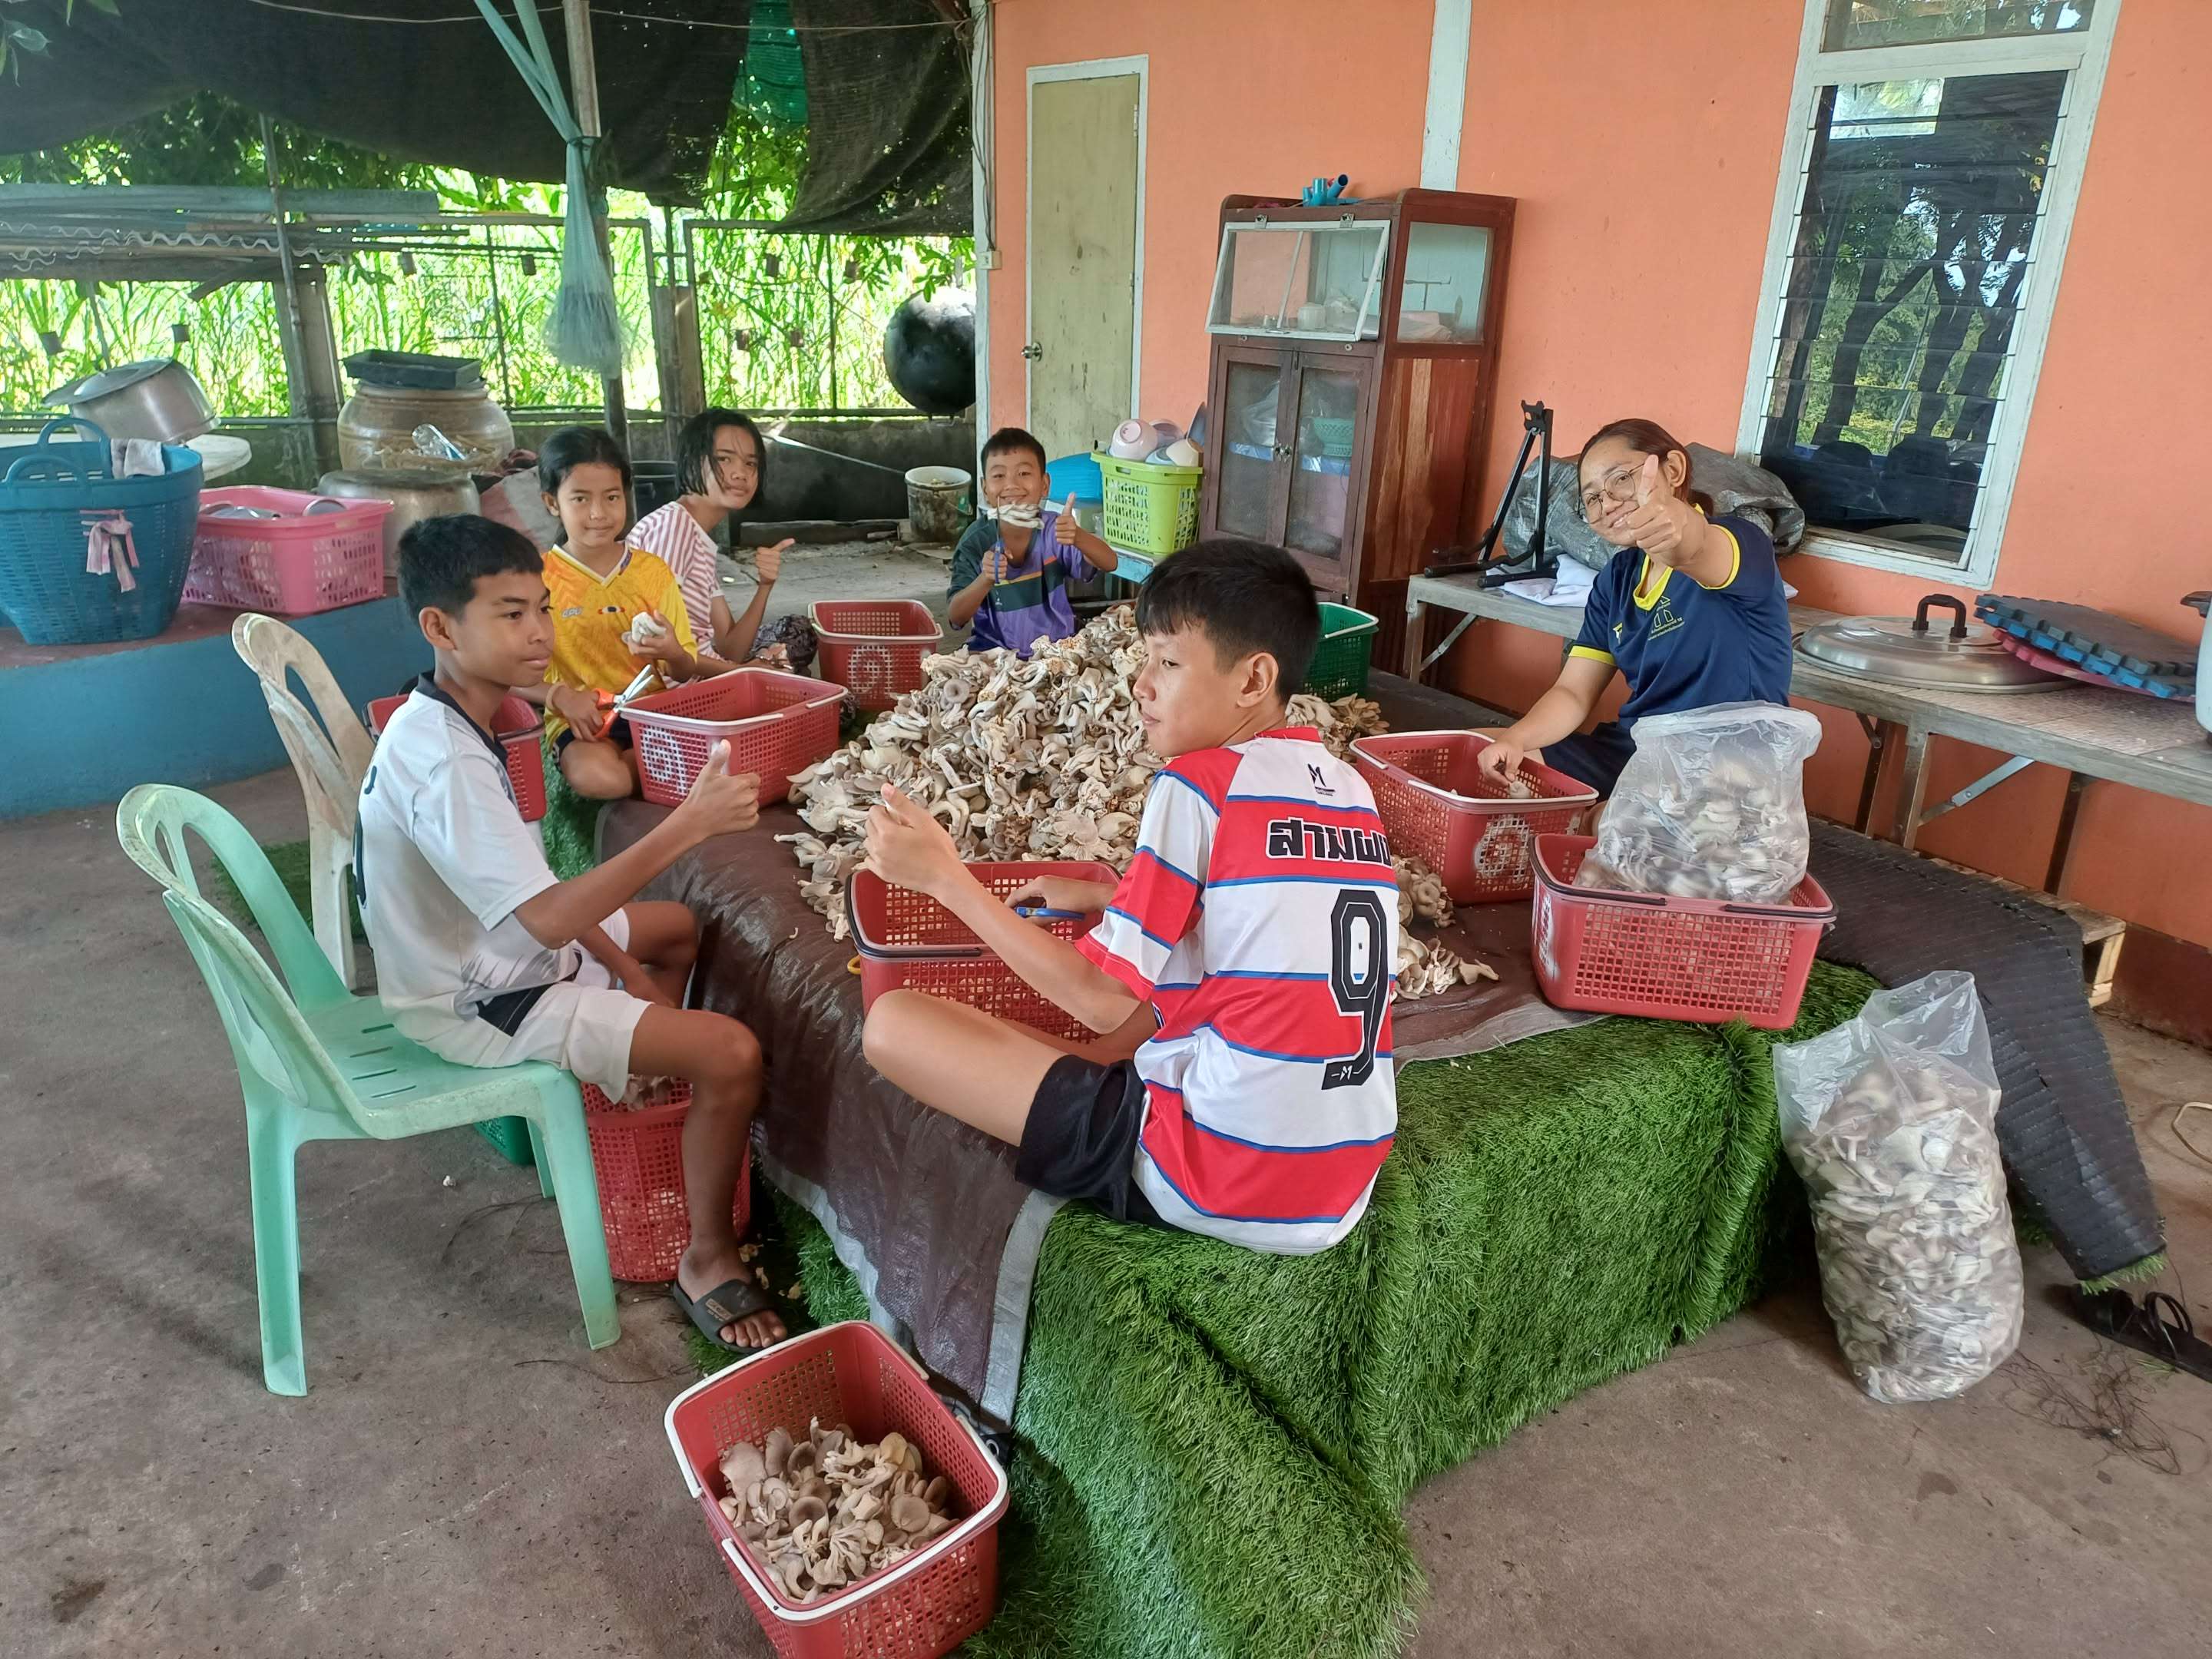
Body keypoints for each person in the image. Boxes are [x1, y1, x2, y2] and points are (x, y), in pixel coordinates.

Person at [862, 538, 1399, 1253]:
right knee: (1125, 1028)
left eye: (1168, 662)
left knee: (894, 1022)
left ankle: (1119, 1108)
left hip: (1214, 1174)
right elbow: (1257, 930)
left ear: (1253, 679)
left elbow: (1098, 997)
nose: (1140, 684)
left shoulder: (1199, 783)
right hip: (1341, 1186)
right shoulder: (1352, 789)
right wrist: (1120, 895)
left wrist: (944, 878)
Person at [356, 514, 783, 1350]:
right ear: (440, 628)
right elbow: (549, 918)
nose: (541, 634)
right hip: (474, 1000)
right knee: (734, 1053)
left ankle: (646, 1071)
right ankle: (706, 1255)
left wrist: (632, 973)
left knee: (674, 932)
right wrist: (689, 824)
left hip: (493, 950)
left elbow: (541, 897)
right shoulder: (444, 763)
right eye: (511, 615)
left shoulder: (451, 710)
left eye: (542, 609)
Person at [1475, 417, 1792, 796]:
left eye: (1621, 479)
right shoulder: (1617, 579)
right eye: (1591, 497)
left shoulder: (1743, 543)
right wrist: (1516, 739)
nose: (1606, 502)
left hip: (1722, 770)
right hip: (1636, 754)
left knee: (1608, 828)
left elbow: (1696, 546)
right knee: (1480, 750)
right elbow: (1573, 693)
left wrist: (1678, 527)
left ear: (1673, 469)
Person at [530, 426, 734, 800]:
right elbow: (502, 669)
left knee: (731, 750)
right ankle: (656, 768)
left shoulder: (651, 571)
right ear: (551, 503)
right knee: (601, 780)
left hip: (654, 714)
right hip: (583, 721)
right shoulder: (539, 579)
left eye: (611, 497)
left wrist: (672, 651)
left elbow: (684, 668)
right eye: (580, 499)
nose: (598, 513)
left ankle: (651, 761)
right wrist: (560, 698)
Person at [628, 407, 795, 664]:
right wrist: (744, 672)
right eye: (724, 459)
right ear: (693, 461)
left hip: (704, 676)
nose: (740, 473)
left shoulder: (698, 539)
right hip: (676, 694)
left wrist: (765, 586)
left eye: (750, 463)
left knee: (798, 633)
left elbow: (730, 647)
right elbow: (654, 647)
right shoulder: (674, 528)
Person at [948, 427, 1116, 657]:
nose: (1011, 485)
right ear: (985, 488)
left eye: (1024, 473)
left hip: (1058, 653)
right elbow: (956, 617)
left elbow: (1110, 562)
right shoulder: (976, 542)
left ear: (1045, 484)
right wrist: (985, 579)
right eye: (998, 476)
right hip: (993, 656)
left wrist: (1079, 536)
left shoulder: (1054, 530)